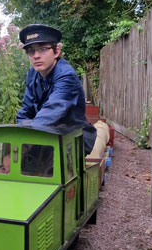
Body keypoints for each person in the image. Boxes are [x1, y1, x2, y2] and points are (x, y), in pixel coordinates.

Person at [16, 24, 96, 154]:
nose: (36, 56)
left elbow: (51, 114)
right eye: (31, 51)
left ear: (56, 51)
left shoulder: (66, 76)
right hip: (45, 135)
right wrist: (18, 139)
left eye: (42, 49)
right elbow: (25, 111)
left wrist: (24, 144)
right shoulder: (33, 73)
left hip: (72, 140)